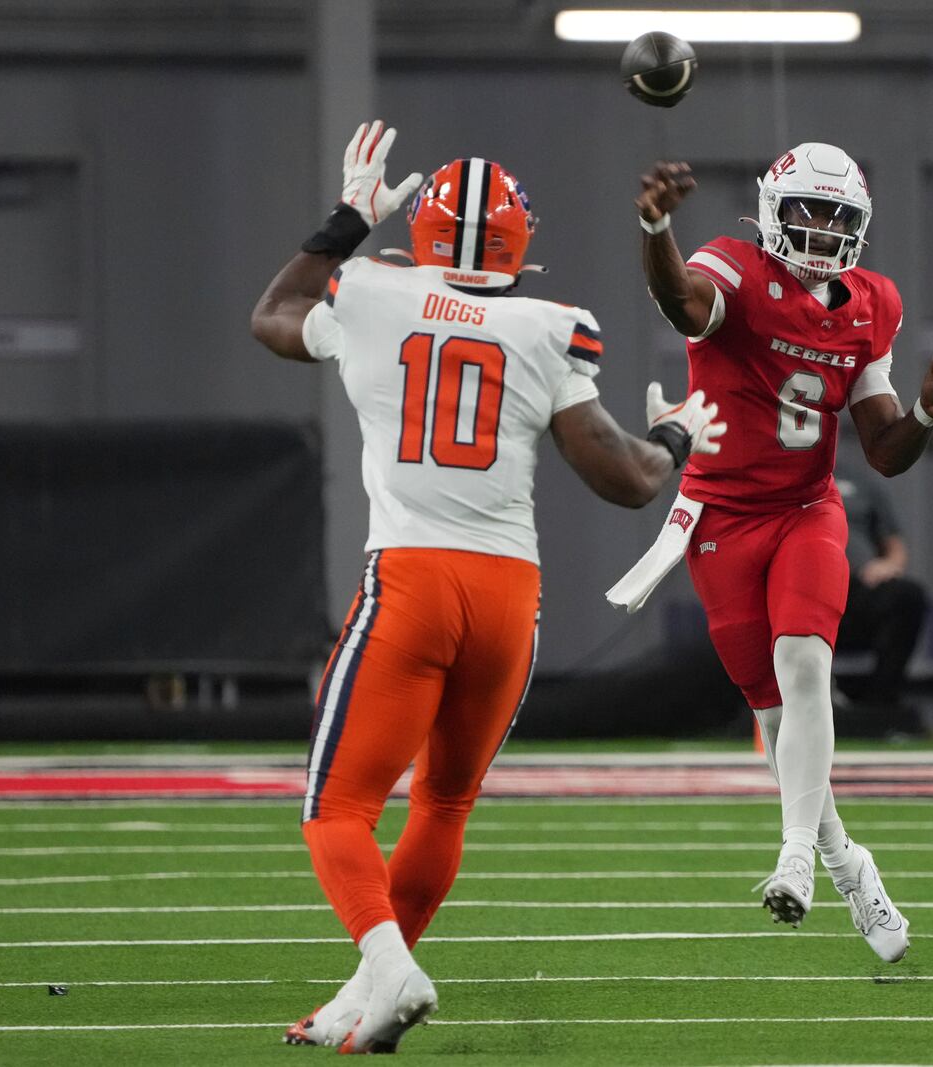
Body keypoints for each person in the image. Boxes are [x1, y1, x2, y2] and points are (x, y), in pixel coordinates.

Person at [249, 122, 726, 1053]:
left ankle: (389, 967)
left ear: (418, 231)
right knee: (443, 803)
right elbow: (625, 479)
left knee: (336, 807)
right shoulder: (548, 326)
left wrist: (348, 217)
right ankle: (366, 992)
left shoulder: (372, 292)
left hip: (412, 579)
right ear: (523, 241)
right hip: (508, 595)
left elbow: (273, 313)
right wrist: (675, 437)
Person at [613, 146, 933, 963]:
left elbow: (884, 450)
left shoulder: (871, 303)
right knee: (778, 716)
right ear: (773, 210)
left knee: (804, 667)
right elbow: (684, 304)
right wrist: (656, 226)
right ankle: (846, 859)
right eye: (809, 212)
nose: (823, 231)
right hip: (720, 518)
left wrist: (927, 417)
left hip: (804, 510)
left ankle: (795, 856)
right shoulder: (735, 267)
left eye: (839, 218)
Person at [833, 457, 929, 733]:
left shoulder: (858, 482)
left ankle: (881, 703)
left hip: (856, 588)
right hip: (799, 588)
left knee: (907, 596)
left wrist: (889, 565)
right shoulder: (777, 474)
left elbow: (894, 546)